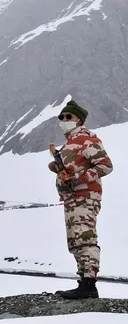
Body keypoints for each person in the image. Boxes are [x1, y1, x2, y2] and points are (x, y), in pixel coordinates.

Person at [48, 100, 113, 299]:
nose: (64, 120)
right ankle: (84, 282)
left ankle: (89, 285)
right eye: (62, 117)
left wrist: (77, 178)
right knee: (76, 240)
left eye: (69, 117)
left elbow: (105, 165)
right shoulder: (69, 143)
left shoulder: (86, 139)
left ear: (79, 119)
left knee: (85, 238)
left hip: (85, 196)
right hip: (72, 198)